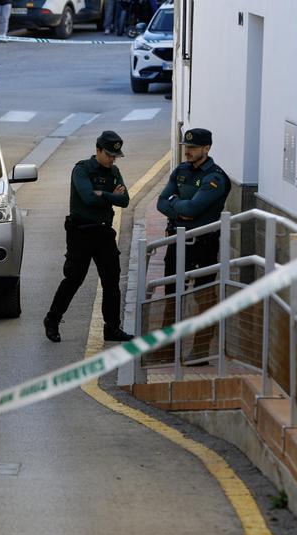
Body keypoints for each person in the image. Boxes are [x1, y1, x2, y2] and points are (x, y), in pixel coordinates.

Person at [43, 131, 135, 343]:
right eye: (109, 155)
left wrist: (103, 194)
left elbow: (125, 201)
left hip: (103, 232)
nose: (112, 160)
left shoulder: (114, 171)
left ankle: (112, 328)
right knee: (74, 278)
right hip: (81, 232)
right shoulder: (82, 170)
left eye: (115, 156)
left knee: (111, 280)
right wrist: (111, 195)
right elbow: (88, 198)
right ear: (98, 150)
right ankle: (52, 319)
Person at [155, 128, 231, 363]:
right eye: (185, 147)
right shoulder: (180, 171)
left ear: (206, 149)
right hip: (176, 241)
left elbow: (192, 209)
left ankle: (200, 352)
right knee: (171, 295)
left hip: (202, 244)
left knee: (204, 297)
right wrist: (181, 207)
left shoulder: (215, 178)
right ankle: (167, 350)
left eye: (193, 148)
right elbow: (160, 202)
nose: (187, 151)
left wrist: (176, 204)